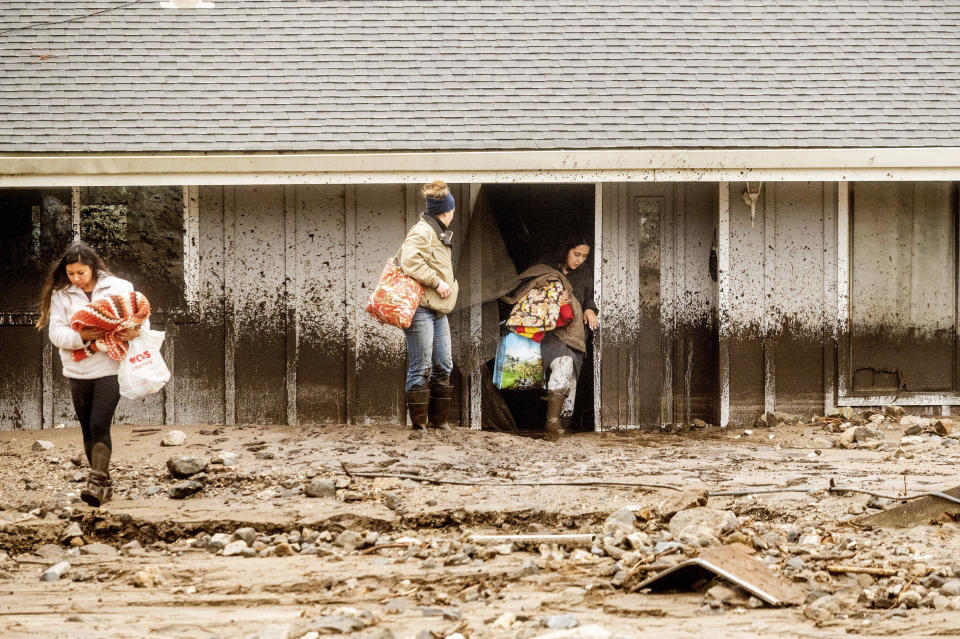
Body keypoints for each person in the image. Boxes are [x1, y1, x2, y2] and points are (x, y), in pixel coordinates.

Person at [36, 243, 143, 506]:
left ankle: (95, 483)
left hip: (111, 364)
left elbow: (139, 318)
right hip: (77, 368)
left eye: (80, 272)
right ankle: (102, 487)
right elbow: (56, 333)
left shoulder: (119, 287)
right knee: (87, 428)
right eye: (71, 273)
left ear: (92, 267)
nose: (75, 278)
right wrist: (82, 336)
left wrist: (134, 330)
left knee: (99, 423)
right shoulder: (62, 294)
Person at [502, 235, 599, 439]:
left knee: (566, 371)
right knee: (523, 378)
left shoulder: (585, 274)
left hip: (569, 331)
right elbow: (525, 294)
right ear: (566, 251)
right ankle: (530, 423)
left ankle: (557, 423)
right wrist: (552, 298)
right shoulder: (543, 268)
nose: (580, 260)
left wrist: (590, 310)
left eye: (585, 256)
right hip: (541, 332)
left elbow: (589, 299)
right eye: (577, 254)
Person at [399, 180, 460, 430]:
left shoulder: (436, 231)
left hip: (438, 310)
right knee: (421, 366)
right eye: (452, 209)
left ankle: (439, 422)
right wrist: (436, 282)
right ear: (446, 211)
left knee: (444, 363)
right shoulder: (422, 231)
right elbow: (409, 262)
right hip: (421, 308)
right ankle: (418, 426)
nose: (453, 213)